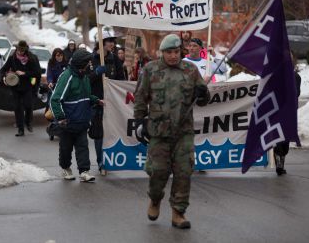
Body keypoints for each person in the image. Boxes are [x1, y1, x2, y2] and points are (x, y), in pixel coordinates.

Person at [134, 34, 210, 229]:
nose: (174, 56)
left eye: (176, 52)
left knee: (184, 172)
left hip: (183, 132)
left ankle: (178, 212)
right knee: (158, 172)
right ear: (162, 52)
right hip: (158, 132)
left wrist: (203, 94)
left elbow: (203, 99)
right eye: (169, 52)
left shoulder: (190, 70)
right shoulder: (150, 70)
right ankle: (155, 199)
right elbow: (141, 97)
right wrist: (139, 122)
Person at [50, 49, 103, 182]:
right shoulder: (66, 76)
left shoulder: (84, 77)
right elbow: (55, 99)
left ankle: (84, 171)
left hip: (82, 121)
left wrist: (96, 100)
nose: (90, 65)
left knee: (83, 147)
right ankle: (65, 168)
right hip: (68, 123)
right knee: (65, 149)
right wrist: (61, 117)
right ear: (81, 64)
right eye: (88, 63)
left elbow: (86, 95)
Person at [89, 30, 126, 174]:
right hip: (96, 102)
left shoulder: (115, 60)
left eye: (113, 41)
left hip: (111, 102)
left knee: (111, 133)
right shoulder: (91, 59)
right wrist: (96, 73)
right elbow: (85, 81)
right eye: (109, 41)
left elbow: (121, 80)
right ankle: (101, 162)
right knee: (99, 134)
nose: (112, 44)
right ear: (101, 42)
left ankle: (110, 159)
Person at [274, 50, 301, 176]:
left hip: (289, 111)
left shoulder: (296, 77)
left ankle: (280, 160)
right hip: (280, 110)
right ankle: (279, 161)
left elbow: (297, 93)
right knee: (281, 136)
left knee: (284, 137)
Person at [1, 40, 36, 137]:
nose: (20, 52)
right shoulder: (12, 58)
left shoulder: (31, 59)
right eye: (19, 50)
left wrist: (25, 73)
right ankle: (21, 129)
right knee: (17, 108)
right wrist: (5, 77)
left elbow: (36, 72)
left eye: (22, 50)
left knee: (28, 106)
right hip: (15, 87)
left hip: (27, 86)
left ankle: (28, 122)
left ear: (25, 50)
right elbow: (3, 69)